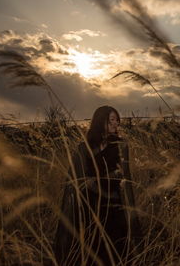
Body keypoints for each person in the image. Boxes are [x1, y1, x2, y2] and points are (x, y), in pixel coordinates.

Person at [54, 106, 141, 265]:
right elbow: (75, 176)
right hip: (89, 204)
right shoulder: (84, 147)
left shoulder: (121, 146)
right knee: (89, 248)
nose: (116, 124)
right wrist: (87, 183)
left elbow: (122, 175)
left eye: (117, 120)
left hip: (111, 203)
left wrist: (95, 180)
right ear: (100, 122)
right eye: (111, 120)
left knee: (112, 249)